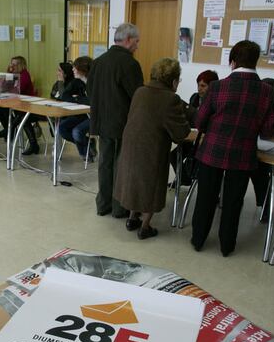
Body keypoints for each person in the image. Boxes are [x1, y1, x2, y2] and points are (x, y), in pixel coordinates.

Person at [191, 40, 274, 257]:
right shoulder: (267, 92)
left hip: (212, 151)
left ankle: (198, 240)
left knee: (206, 198)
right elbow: (268, 130)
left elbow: (200, 121)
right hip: (243, 154)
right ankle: (226, 245)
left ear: (232, 61)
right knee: (233, 202)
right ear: (256, 61)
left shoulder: (218, 87)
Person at [114, 58, 193, 239]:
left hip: (132, 145)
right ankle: (145, 227)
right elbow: (181, 133)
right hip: (152, 148)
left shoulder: (140, 91)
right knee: (151, 186)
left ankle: (132, 218)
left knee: (134, 181)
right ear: (173, 81)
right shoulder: (170, 98)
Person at [87, 22, 144, 218]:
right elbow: (138, 96)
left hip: (101, 122)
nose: (137, 46)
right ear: (127, 40)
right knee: (120, 165)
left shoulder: (98, 61)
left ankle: (103, 204)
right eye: (136, 42)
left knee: (105, 163)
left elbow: (89, 91)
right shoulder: (130, 64)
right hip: (121, 123)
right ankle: (119, 207)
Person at [169, 70, 219, 185]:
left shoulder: (216, 102)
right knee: (174, 155)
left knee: (197, 160)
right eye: (198, 85)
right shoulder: (195, 98)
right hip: (194, 136)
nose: (199, 88)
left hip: (207, 140)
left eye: (203, 86)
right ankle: (183, 179)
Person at [250, 77, 274, 214]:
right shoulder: (252, 104)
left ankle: (265, 207)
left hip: (270, 151)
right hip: (254, 148)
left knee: (260, 172)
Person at [0, 56, 39, 156]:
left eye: (14, 64)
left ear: (20, 65)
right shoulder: (14, 74)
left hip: (27, 104)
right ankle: (9, 131)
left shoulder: (24, 75)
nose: (12, 66)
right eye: (11, 63)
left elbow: (17, 90)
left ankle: (9, 131)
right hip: (16, 103)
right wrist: (8, 74)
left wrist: (8, 84)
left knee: (22, 116)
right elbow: (4, 86)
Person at [59, 56, 94, 160]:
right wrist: (82, 99)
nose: (73, 70)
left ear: (83, 69)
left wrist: (77, 98)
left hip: (95, 116)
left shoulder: (95, 82)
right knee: (62, 128)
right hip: (82, 114)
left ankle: (85, 154)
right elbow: (64, 96)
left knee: (76, 132)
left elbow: (93, 101)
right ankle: (88, 143)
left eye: (75, 67)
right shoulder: (76, 81)